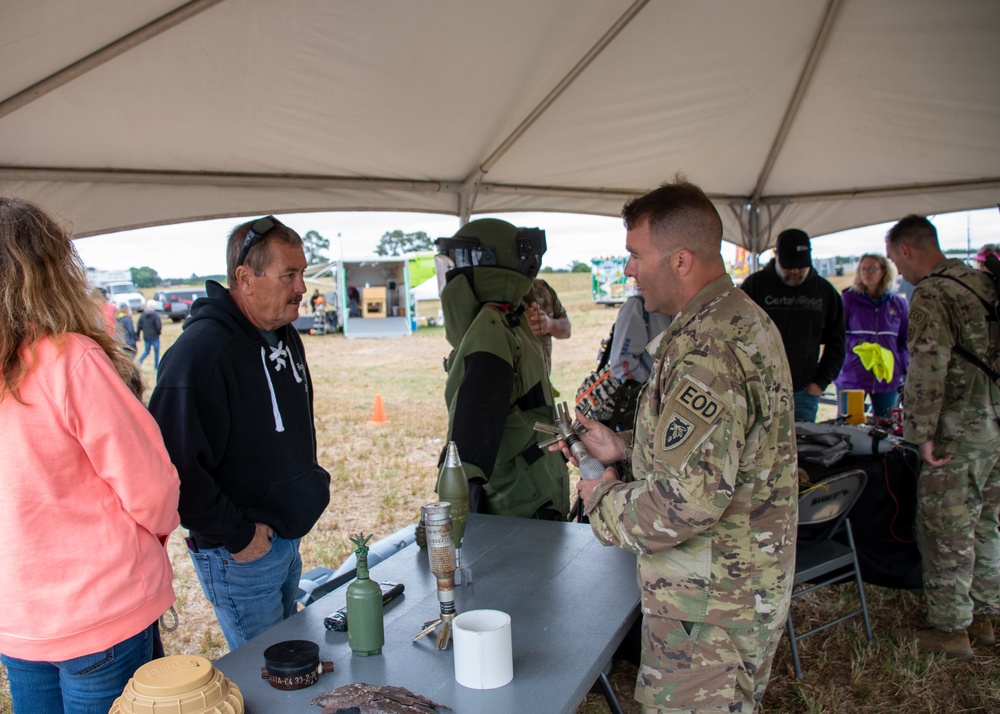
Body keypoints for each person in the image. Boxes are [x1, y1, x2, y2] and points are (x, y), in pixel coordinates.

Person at [561, 180, 798, 712]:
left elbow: (683, 505)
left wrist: (601, 494)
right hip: (732, 591)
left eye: (635, 256)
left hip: (709, 606)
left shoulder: (707, 350)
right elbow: (719, 452)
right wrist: (622, 447)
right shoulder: (737, 319)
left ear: (682, 260)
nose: (627, 270)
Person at [0, 197, 180, 713]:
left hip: (19, 618)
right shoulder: (68, 359)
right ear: (51, 270)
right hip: (100, 610)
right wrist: (154, 535)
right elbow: (152, 487)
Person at [149, 214, 331, 649]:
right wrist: (239, 536)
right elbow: (174, 468)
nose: (302, 287)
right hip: (241, 555)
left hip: (284, 538)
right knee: (270, 673)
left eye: (302, 273)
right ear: (245, 279)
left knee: (293, 663)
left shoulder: (282, 333)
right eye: (289, 274)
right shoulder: (200, 354)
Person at [884, 214, 1000, 659]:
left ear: (907, 251)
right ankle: (985, 616)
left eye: (895, 259)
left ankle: (951, 630)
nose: (899, 269)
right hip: (992, 426)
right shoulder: (980, 281)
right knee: (986, 522)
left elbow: (927, 367)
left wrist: (921, 433)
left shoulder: (932, 292)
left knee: (946, 530)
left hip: (957, 432)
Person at [435, 218, 569, 520]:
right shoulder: (514, 317)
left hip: (515, 503)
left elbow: (469, 444)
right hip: (539, 487)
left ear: (483, 267)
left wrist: (444, 519)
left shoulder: (492, 328)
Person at [741, 228, 845, 422]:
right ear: (777, 255)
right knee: (758, 449)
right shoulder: (755, 286)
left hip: (804, 391)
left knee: (802, 449)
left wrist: (820, 382)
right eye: (789, 266)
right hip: (760, 391)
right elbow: (736, 335)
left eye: (800, 265)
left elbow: (837, 341)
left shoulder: (824, 292)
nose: (795, 270)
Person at [834, 253, 909, 418]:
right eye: (863, 269)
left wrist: (902, 368)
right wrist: (859, 344)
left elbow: (905, 341)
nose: (866, 273)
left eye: (872, 269)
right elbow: (836, 336)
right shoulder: (848, 300)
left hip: (887, 380)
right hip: (853, 377)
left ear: (884, 271)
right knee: (849, 427)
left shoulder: (898, 304)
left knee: (886, 427)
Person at [523, 277, 571, 375]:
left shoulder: (541, 287)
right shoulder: (490, 291)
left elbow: (567, 330)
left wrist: (550, 324)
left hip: (541, 381)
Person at [137, 298, 164, 370]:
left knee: (146, 351)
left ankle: (139, 362)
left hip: (146, 336)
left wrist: (138, 335)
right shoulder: (155, 316)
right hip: (155, 336)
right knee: (156, 352)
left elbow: (139, 325)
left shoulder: (143, 315)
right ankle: (156, 367)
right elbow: (158, 326)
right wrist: (158, 333)